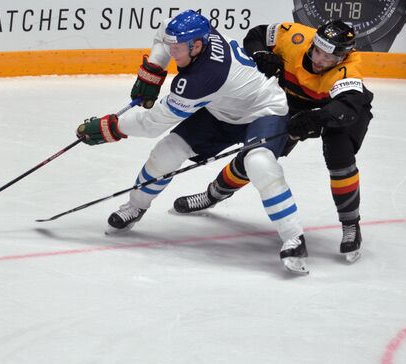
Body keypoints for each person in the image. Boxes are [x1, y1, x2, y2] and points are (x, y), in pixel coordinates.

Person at [75, 10, 310, 274]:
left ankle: (293, 237)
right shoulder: (198, 36)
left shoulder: (200, 80)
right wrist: (153, 70)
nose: (172, 53)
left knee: (258, 162)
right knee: (168, 151)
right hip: (221, 110)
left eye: (178, 49)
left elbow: (151, 125)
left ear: (197, 45)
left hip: (263, 110)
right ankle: (135, 206)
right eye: (173, 47)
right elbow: (164, 33)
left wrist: (112, 128)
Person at [175, 19, 373, 263]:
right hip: (290, 102)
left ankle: (351, 224)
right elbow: (256, 33)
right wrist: (259, 53)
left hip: (334, 109)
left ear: (342, 58)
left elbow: (348, 107)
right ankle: (212, 195)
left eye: (328, 58)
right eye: (317, 51)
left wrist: (316, 118)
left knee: (339, 157)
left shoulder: (349, 70)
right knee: (257, 154)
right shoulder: (293, 36)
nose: (319, 60)